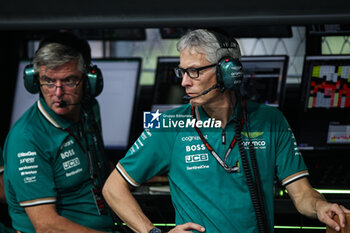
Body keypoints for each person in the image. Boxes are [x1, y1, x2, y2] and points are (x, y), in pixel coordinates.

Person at [102, 29, 349, 233]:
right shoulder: (167, 124)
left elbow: (302, 193)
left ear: (227, 73)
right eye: (182, 71)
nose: (184, 82)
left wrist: (320, 207)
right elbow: (112, 189)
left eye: (194, 71)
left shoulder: (271, 121)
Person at [3, 32, 117, 233]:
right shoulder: (28, 138)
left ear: (88, 82)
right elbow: (47, 226)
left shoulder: (88, 111)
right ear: (35, 81)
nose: (57, 92)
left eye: (69, 81)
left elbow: (96, 167)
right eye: (48, 81)